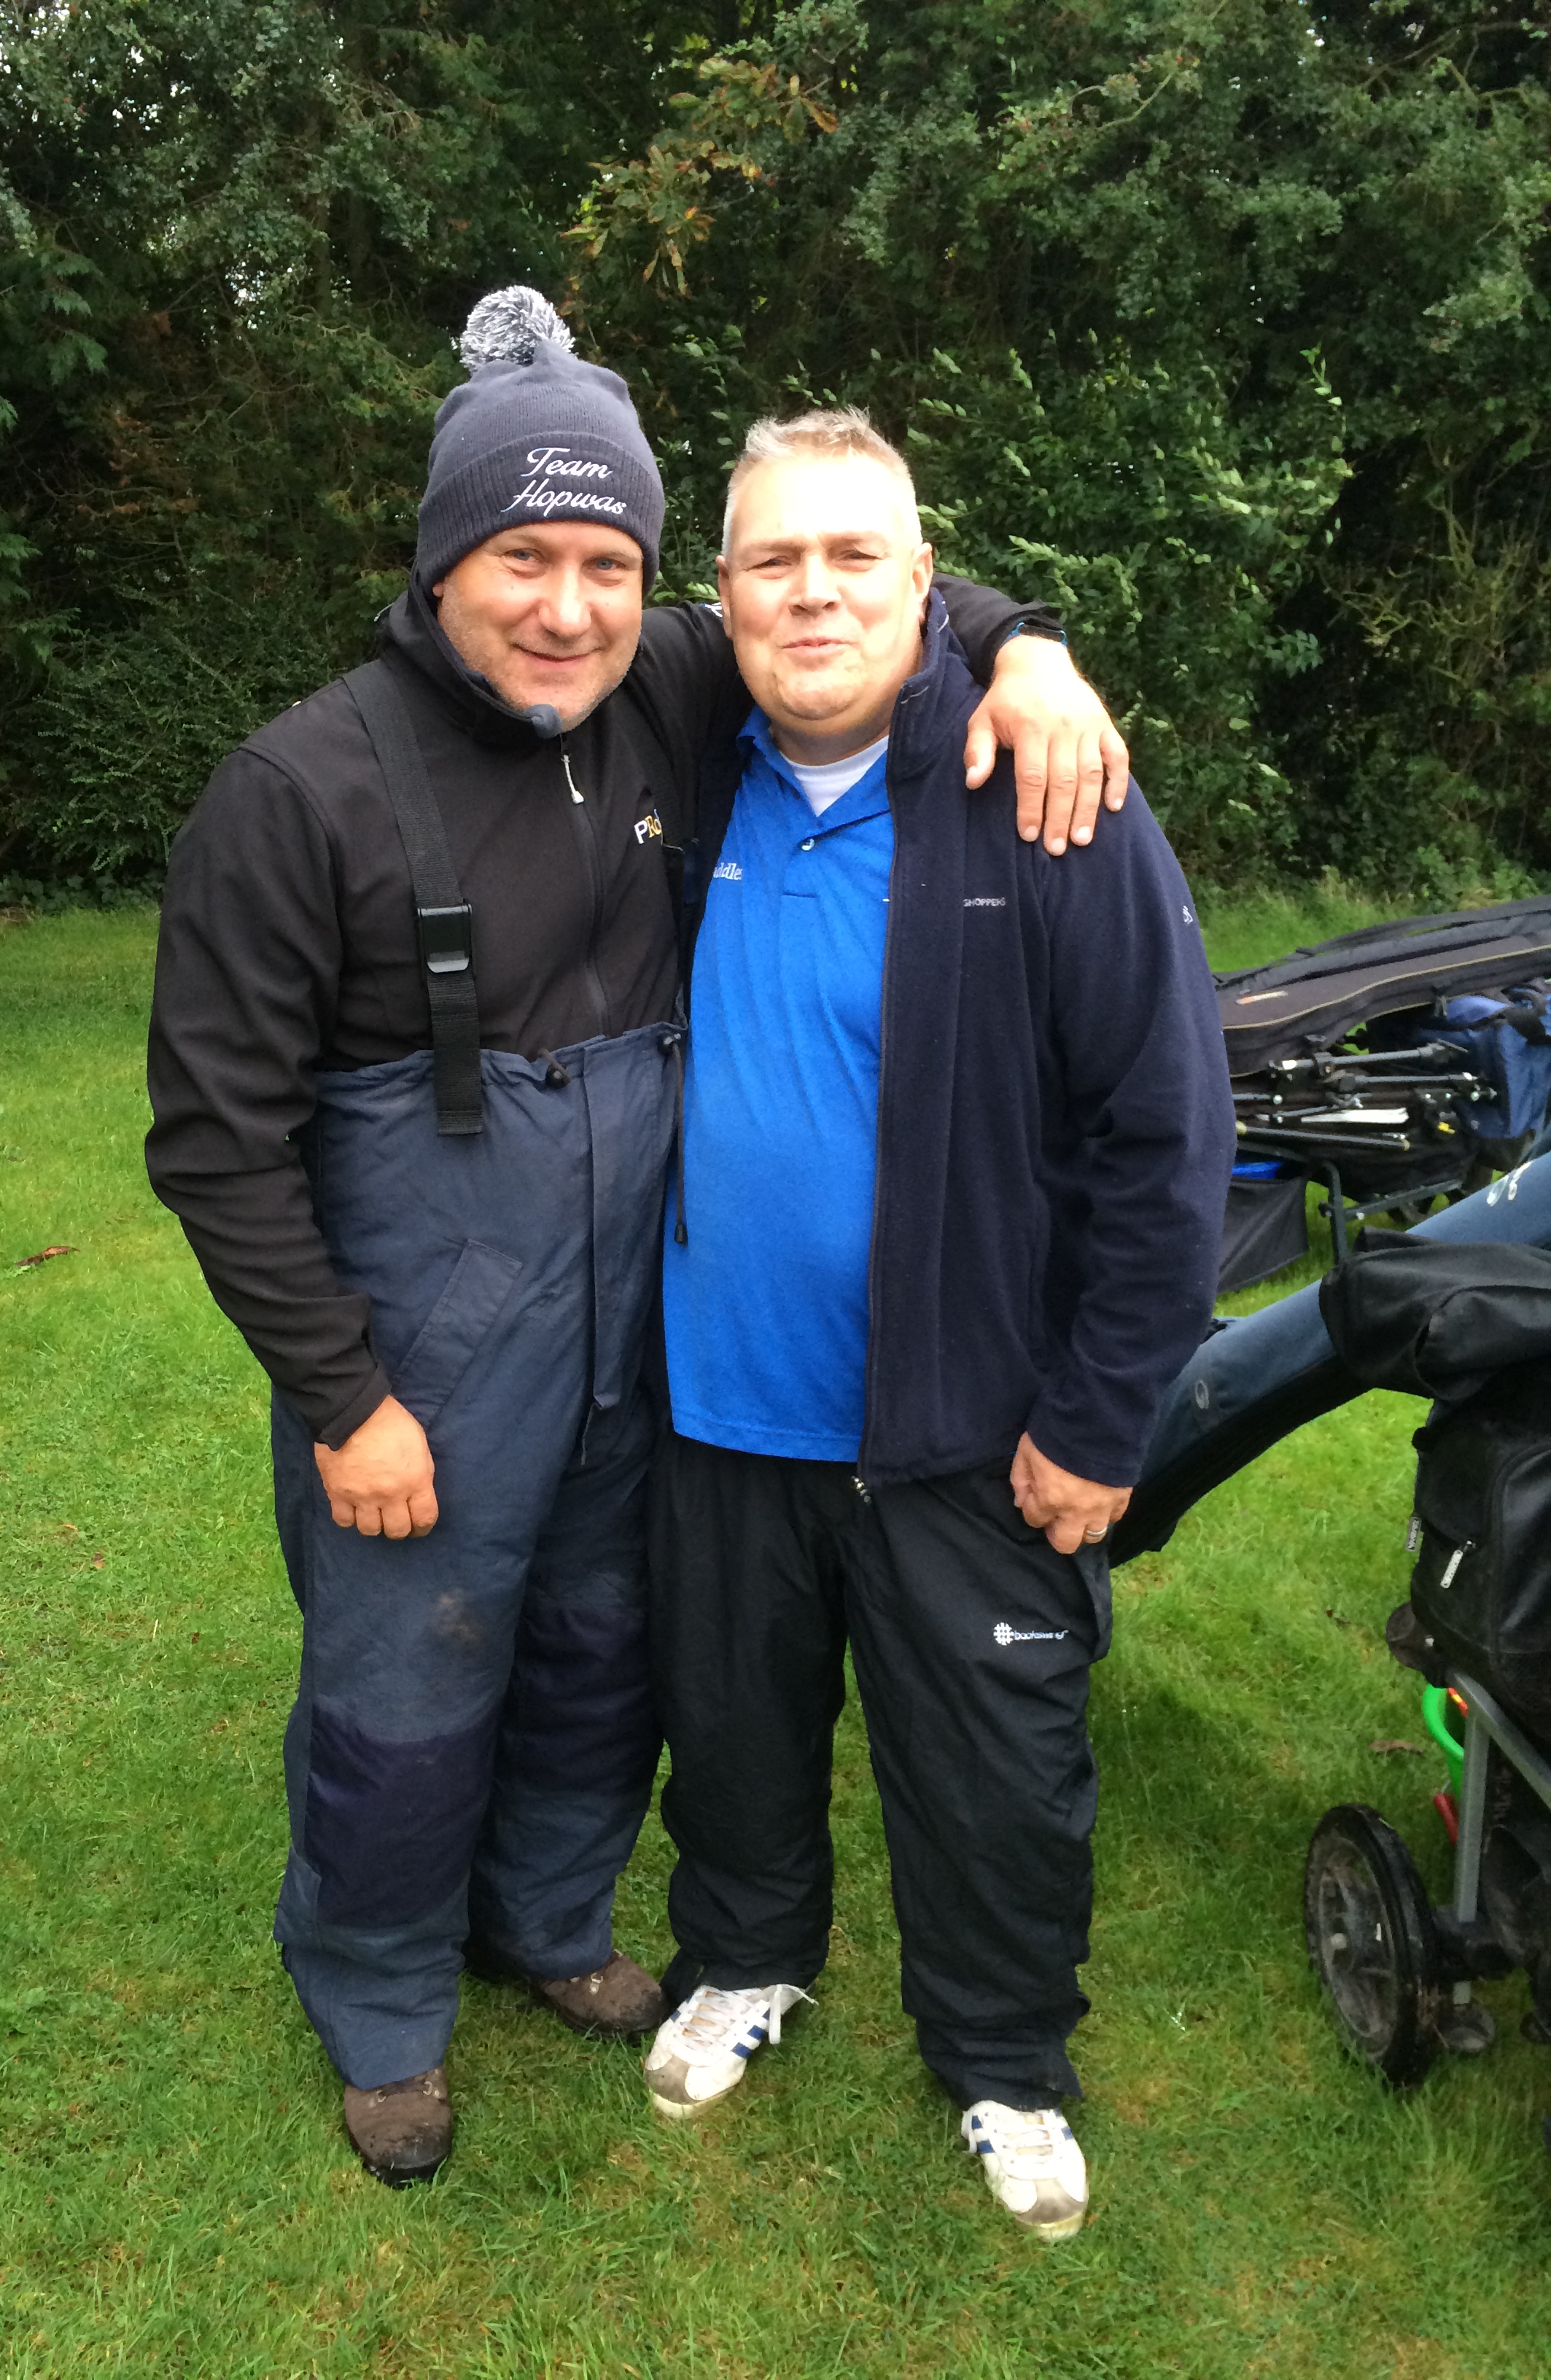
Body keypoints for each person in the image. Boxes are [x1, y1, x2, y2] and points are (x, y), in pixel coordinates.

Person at [146, 290, 1126, 2188]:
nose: (567, 608)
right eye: (522, 558)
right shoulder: (297, 794)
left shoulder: (667, 688)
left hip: (636, 1344)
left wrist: (1032, 652)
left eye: (608, 565)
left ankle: (547, 1920)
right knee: (411, 1686)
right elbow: (216, 1142)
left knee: (602, 1653)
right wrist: (341, 1398)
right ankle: (382, 2004)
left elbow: (859, 587)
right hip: (422, 1359)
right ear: (442, 561)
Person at [642, 410, 1234, 2241]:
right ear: (719, 593)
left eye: (856, 557)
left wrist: (1103, 1417)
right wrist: (1021, 628)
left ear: (925, 583)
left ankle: (1003, 2059)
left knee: (998, 1774)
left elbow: (1170, 1133)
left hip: (968, 1423)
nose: (813, 592)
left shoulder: (1039, 792)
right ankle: (746, 1959)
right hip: (719, 1408)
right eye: (773, 559)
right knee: (732, 1732)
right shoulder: (679, 771)